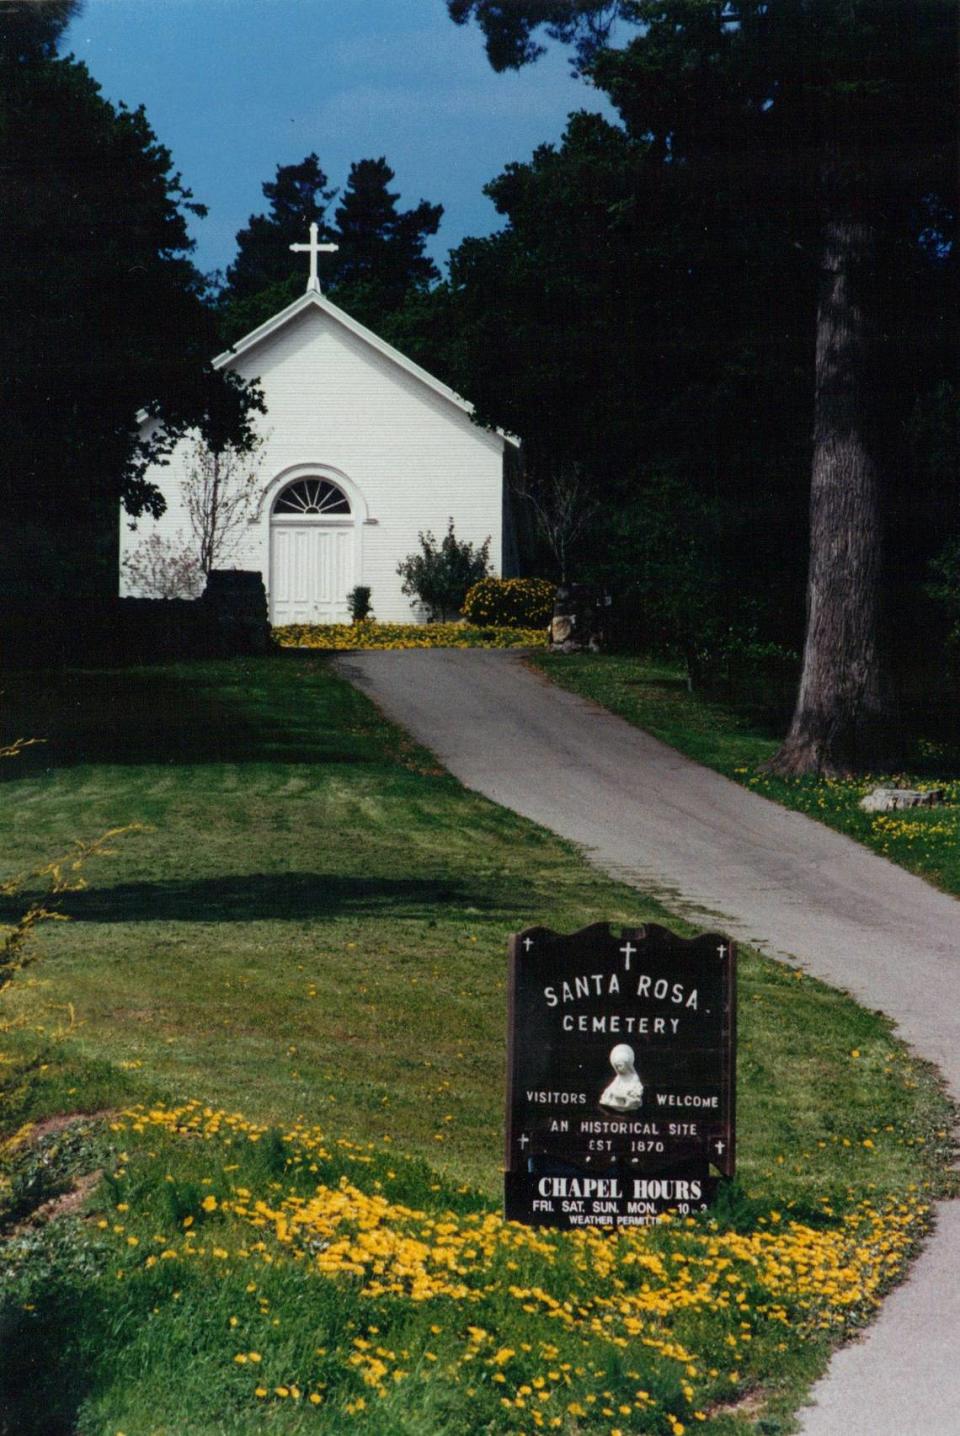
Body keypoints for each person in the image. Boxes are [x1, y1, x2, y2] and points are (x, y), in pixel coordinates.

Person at [599, 1043, 644, 1111]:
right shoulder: (618, 1078)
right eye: (616, 1066)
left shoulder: (634, 1078)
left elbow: (637, 1092)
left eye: (620, 1066)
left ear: (627, 1064)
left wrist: (627, 1095)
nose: (618, 1068)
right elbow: (610, 1090)